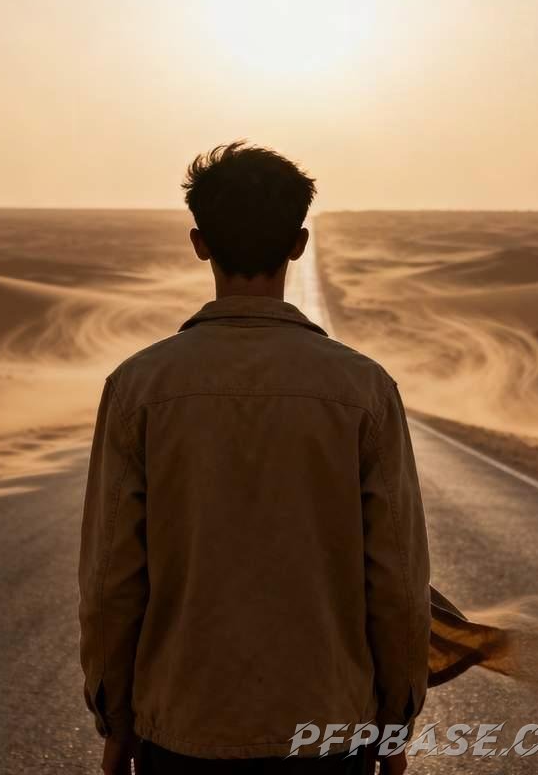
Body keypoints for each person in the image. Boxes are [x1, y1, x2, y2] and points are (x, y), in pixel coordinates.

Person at [78, 142, 431, 774]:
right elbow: (398, 581)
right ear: (298, 244)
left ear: (199, 242)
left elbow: (110, 581)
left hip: (182, 729)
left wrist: (117, 716)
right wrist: (396, 720)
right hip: (329, 729)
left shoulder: (138, 386)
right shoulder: (365, 388)